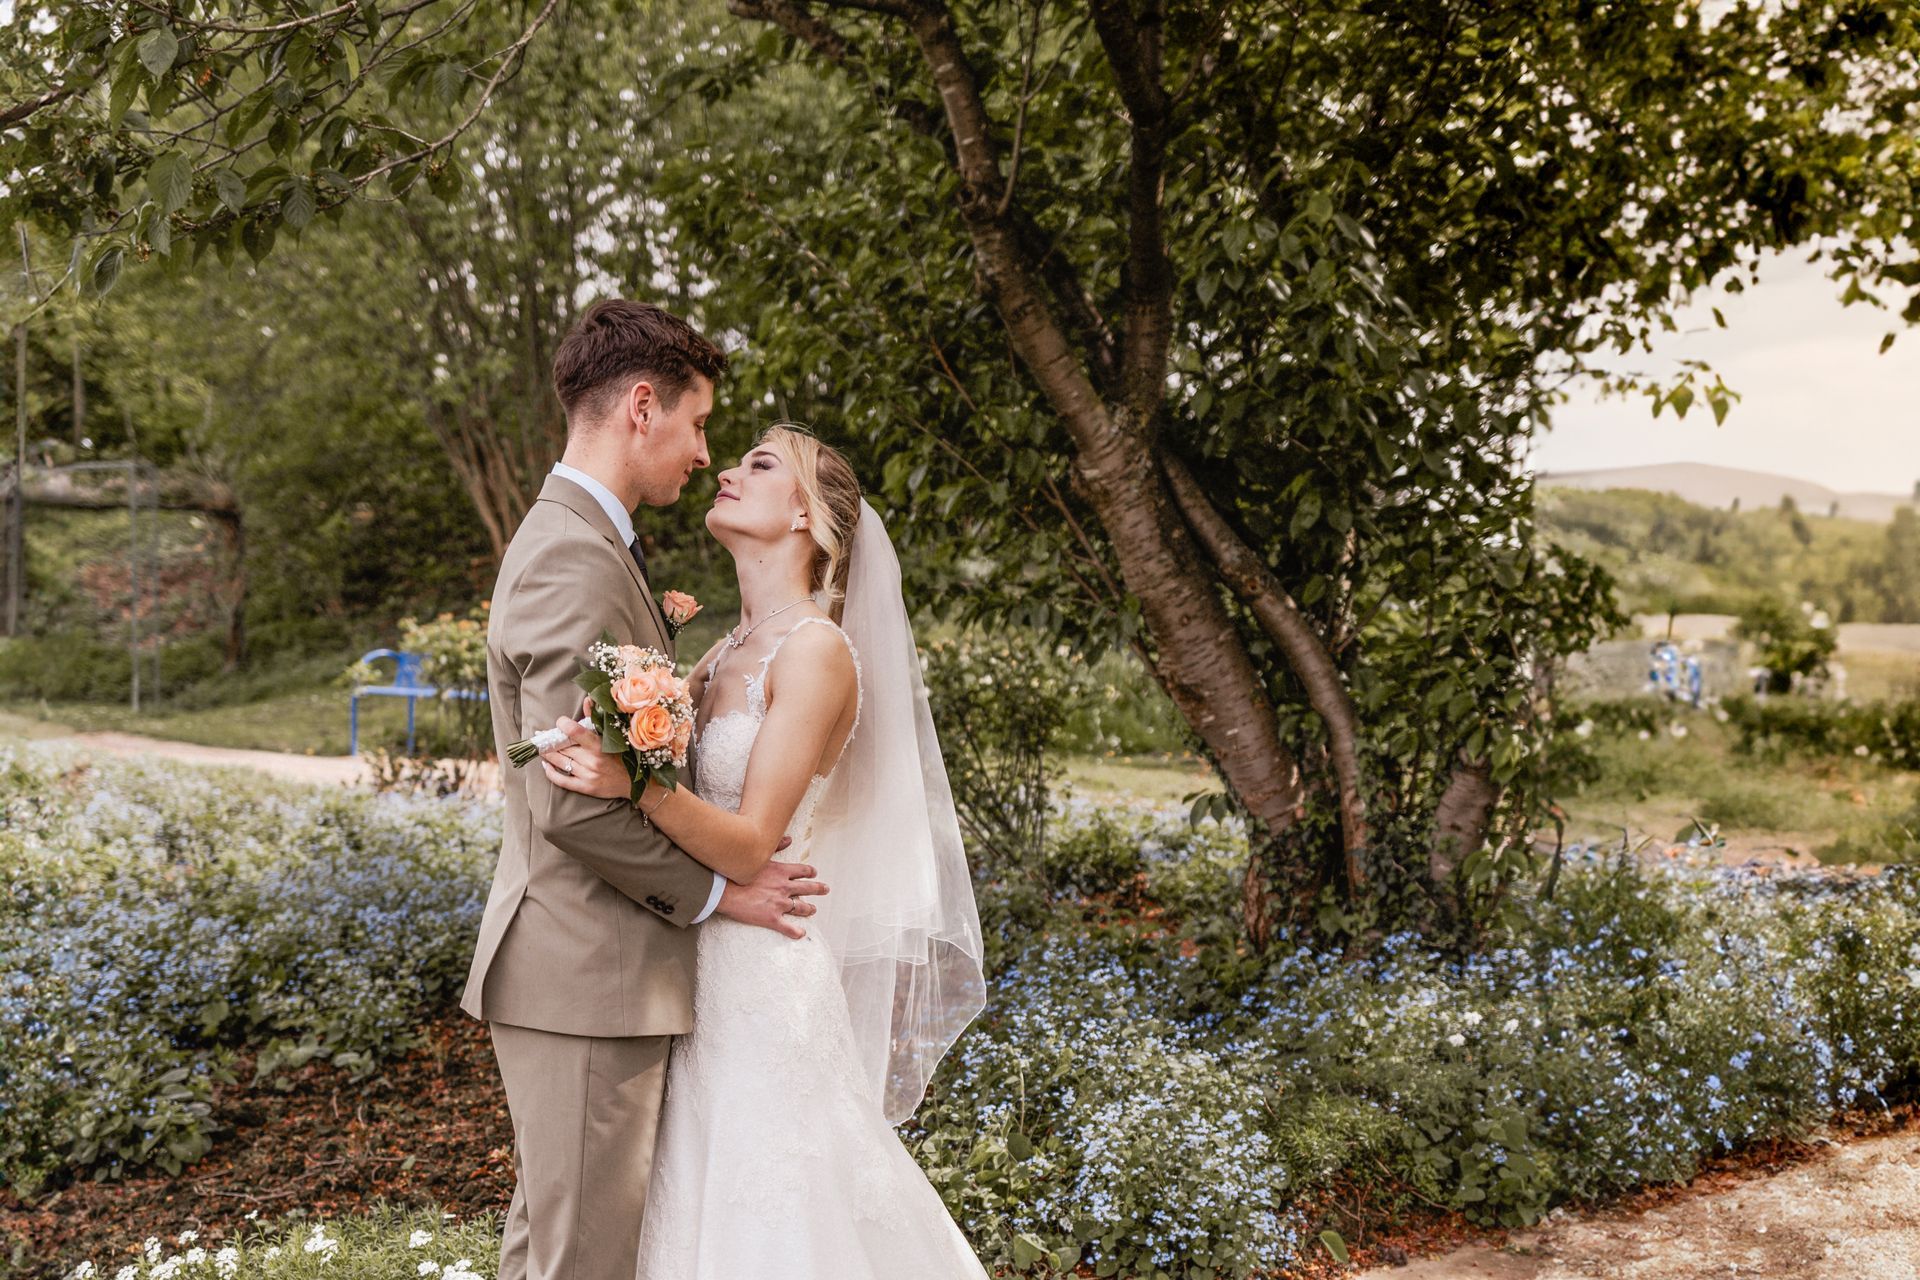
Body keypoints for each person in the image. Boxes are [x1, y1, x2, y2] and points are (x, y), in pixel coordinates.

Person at [540, 423, 989, 1277]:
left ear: (804, 519)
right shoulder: (718, 653)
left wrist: (630, 781)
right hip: (692, 960)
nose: (725, 471)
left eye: (759, 464)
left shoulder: (815, 653)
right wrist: (598, 744)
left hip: (761, 975)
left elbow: (748, 845)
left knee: (771, 1211)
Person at [460, 301, 831, 1280]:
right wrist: (721, 894)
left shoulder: (597, 544)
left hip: (601, 973)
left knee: (553, 1249)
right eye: (700, 424)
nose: (706, 455)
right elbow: (572, 800)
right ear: (640, 406)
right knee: (579, 1260)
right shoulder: (575, 559)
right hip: (588, 970)